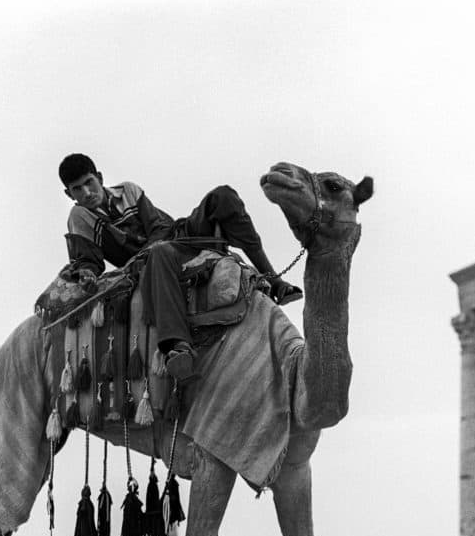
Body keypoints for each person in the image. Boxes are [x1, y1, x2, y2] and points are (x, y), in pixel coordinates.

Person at [58, 153, 301, 382]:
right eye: (77, 189)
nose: (87, 192)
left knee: (223, 196)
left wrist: (162, 243)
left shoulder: (128, 191)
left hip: (178, 235)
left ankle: (274, 280)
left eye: (89, 182)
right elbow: (87, 258)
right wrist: (87, 274)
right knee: (159, 252)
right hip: (152, 260)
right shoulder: (79, 215)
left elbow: (157, 226)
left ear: (99, 178)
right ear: (69, 194)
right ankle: (176, 346)